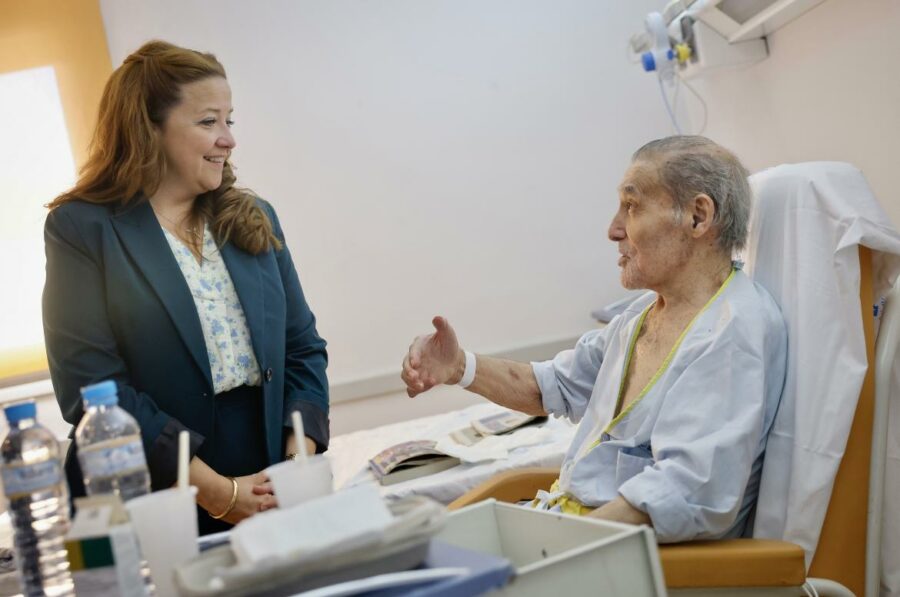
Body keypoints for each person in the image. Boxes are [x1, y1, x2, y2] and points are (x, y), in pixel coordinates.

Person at [402, 136, 787, 543]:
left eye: (632, 206)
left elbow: (685, 492)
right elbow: (552, 386)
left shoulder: (733, 330)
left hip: (641, 562)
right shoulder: (639, 317)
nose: (613, 229)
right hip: (582, 535)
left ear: (697, 216)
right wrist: (460, 367)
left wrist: (556, 545)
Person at [43, 40, 329, 534]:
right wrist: (218, 493)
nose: (228, 139)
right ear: (149, 129)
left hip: (267, 480)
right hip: (152, 494)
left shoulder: (255, 219)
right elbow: (91, 392)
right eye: (207, 122)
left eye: (229, 120)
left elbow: (302, 350)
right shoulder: (82, 230)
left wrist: (295, 465)